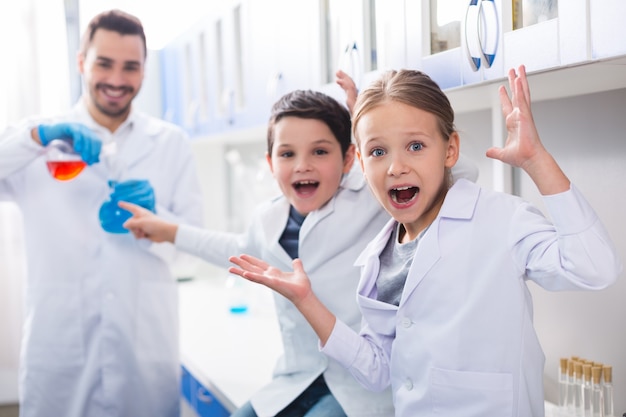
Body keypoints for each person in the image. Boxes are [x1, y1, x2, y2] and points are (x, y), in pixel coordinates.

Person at [227, 65, 622, 417]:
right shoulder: (380, 256)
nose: (397, 167)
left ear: (450, 150)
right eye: (378, 151)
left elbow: (593, 268)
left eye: (416, 146)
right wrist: (306, 300)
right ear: (362, 165)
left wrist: (535, 159)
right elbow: (377, 370)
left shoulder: (501, 220)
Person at [121, 83, 476, 416]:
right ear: (271, 163)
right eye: (287, 153)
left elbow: (463, 171)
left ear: (351, 159)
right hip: (299, 376)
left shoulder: (370, 198)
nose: (303, 164)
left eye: (320, 151)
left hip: (362, 385)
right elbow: (236, 250)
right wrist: (168, 232)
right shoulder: (268, 219)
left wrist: (373, 126)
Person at [0, 9, 203, 417]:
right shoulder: (39, 139)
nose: (116, 79)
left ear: (144, 71)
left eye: (131, 67)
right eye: (104, 63)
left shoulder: (170, 144)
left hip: (142, 352)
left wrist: (155, 217)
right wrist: (38, 137)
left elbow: (191, 245)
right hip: (60, 354)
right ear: (81, 63)